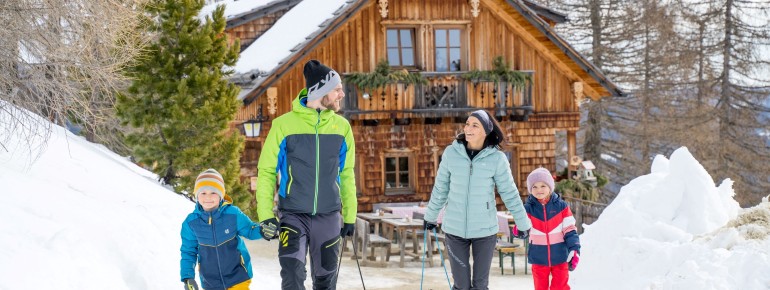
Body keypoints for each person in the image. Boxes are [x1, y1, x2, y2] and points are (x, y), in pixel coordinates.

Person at [255, 59, 357, 290]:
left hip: (329, 217)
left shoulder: (342, 128)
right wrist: (265, 215)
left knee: (325, 282)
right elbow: (267, 171)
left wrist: (350, 215)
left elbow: (347, 173)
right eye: (337, 89)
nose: (342, 94)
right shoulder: (283, 125)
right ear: (321, 91)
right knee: (292, 278)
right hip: (293, 216)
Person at [423, 109, 532, 290]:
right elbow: (441, 188)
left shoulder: (497, 159)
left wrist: (523, 222)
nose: (468, 128)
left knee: (480, 285)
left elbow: (509, 193)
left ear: (486, 131)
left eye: (475, 125)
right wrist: (430, 216)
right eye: (467, 124)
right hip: (455, 230)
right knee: (461, 285)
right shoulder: (451, 153)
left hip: (485, 231)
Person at [180, 169, 262, 290]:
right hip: (210, 282)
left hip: (238, 276)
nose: (208, 197)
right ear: (197, 195)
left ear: (221, 195)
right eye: (203, 193)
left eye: (213, 192)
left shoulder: (232, 214)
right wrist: (188, 277)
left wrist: (263, 230)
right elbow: (188, 252)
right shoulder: (191, 223)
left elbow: (250, 230)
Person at [518, 167, 581, 290]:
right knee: (540, 287)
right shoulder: (528, 209)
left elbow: (570, 230)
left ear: (550, 187)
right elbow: (522, 229)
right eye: (534, 187)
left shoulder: (561, 206)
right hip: (538, 257)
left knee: (560, 287)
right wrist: (519, 230)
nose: (539, 190)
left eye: (542, 185)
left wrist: (574, 249)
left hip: (560, 256)